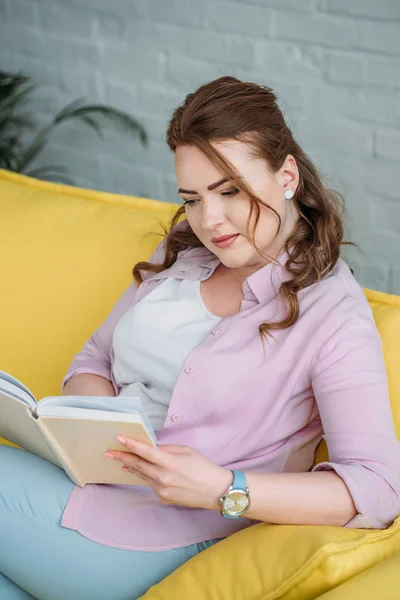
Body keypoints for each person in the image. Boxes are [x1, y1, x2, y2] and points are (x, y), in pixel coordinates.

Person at [1, 76, 399, 600]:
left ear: (287, 175)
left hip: (159, 536)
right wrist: (99, 427)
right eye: (191, 198)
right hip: (89, 485)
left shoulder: (333, 314)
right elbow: (94, 357)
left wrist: (225, 490)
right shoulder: (184, 253)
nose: (210, 220)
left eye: (229, 191)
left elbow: (378, 486)